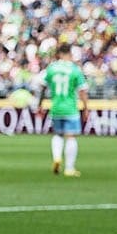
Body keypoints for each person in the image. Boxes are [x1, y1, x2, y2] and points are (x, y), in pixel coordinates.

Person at [38, 42, 88, 177]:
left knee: (58, 134)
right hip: (70, 108)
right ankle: (69, 168)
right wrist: (85, 108)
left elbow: (42, 87)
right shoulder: (74, 69)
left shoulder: (51, 68)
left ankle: (57, 158)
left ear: (58, 54)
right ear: (70, 53)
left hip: (56, 107)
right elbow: (82, 90)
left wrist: (40, 104)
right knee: (71, 137)